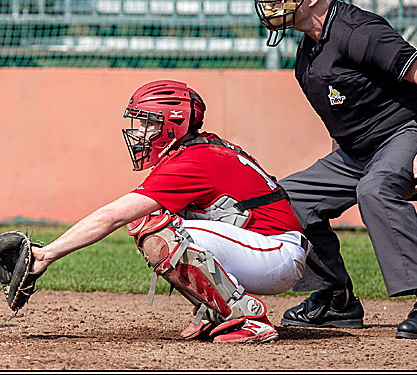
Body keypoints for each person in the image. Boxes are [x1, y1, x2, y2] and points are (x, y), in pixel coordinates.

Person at [250, 0, 417, 340]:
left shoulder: (357, 29)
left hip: (409, 130)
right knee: (286, 197)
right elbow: (340, 119)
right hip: (358, 150)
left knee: (375, 189)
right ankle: (336, 299)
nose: (271, 3)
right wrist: (334, 171)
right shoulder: (308, 51)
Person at [26, 80, 308, 343]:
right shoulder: (196, 150)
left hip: (275, 253)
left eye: (147, 123)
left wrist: (47, 254)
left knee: (154, 227)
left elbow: (113, 216)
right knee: (161, 220)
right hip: (265, 248)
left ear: (173, 124)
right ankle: (216, 309)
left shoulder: (194, 160)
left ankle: (247, 317)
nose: (139, 132)